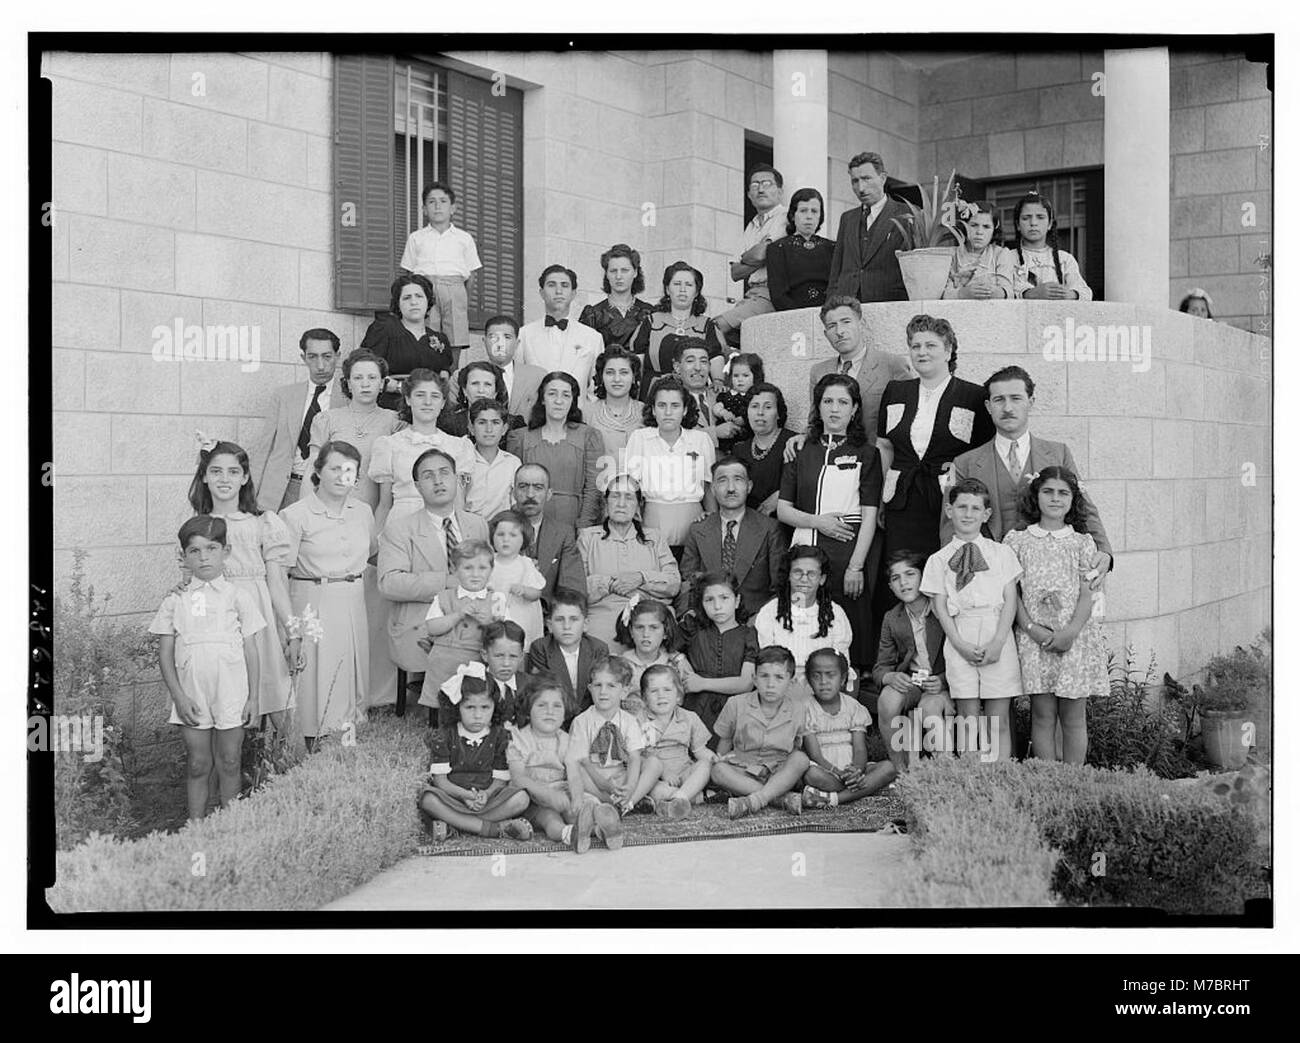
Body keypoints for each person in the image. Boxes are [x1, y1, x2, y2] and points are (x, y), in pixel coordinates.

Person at [948, 365, 1112, 580]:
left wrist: (1104, 550)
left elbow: (1083, 506)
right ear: (988, 406)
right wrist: (957, 573)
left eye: (1016, 398)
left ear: (1031, 402)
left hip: (1050, 570)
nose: (1007, 408)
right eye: (999, 400)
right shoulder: (966, 463)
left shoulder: (1058, 453)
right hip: (988, 573)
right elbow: (950, 522)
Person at [150, 515, 264, 821]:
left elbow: (252, 650)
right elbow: (165, 653)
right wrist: (179, 697)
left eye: (211, 549)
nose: (204, 557)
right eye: (195, 551)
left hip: (231, 692)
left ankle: (230, 827)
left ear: (226, 551)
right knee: (199, 763)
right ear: (183, 557)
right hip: (193, 694)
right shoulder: (175, 601)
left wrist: (253, 698)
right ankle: (196, 828)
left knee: (229, 760)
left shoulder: (239, 597)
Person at [778, 373, 882, 675]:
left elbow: (870, 515)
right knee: (802, 617)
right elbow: (784, 510)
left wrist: (856, 566)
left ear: (854, 409)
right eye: (827, 401)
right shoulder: (799, 449)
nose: (834, 409)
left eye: (842, 402)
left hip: (848, 550)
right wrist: (817, 522)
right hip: (804, 548)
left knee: (848, 624)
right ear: (818, 406)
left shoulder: (867, 453)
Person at [1005, 468, 1109, 765]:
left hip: (1074, 639)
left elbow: (1088, 593)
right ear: (1036, 495)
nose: (1055, 498)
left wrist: (1071, 632)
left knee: (1073, 716)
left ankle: (1073, 778)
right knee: (1043, 714)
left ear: (1073, 499)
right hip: (1035, 639)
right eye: (1048, 491)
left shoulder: (1082, 542)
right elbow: (1011, 593)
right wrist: (1030, 627)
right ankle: (1049, 776)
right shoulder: (1017, 541)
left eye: (1063, 493)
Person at [187, 440, 293, 728]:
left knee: (276, 700)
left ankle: (295, 771)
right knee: (224, 703)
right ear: (204, 476)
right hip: (216, 621)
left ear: (245, 478)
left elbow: (276, 582)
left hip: (258, 618)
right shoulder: (198, 526)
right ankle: (237, 769)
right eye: (216, 471)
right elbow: (190, 585)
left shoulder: (263, 522)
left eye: (233, 472)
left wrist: (292, 631)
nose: (224, 479)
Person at [876, 314, 995, 564]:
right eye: (915, 346)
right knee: (902, 571)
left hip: (948, 503)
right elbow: (885, 446)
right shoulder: (896, 391)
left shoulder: (972, 396)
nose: (922, 352)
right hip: (901, 502)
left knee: (944, 570)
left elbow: (984, 454)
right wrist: (878, 500)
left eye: (931, 345)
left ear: (948, 350)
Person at [280, 441, 376, 749]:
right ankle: (307, 747)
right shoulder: (295, 515)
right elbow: (280, 573)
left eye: (349, 470)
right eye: (334, 468)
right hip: (312, 600)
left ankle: (345, 745)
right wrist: (290, 628)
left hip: (353, 600)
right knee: (314, 678)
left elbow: (372, 553)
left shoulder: (362, 512)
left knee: (350, 674)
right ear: (318, 471)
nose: (341, 476)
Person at [921, 479, 1024, 764]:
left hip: (996, 633)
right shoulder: (939, 560)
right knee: (968, 717)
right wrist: (959, 643)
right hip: (960, 634)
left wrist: (999, 641)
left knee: (997, 718)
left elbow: (1010, 599)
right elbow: (940, 605)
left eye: (975, 508)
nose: (968, 514)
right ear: (950, 510)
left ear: (986, 514)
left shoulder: (1001, 553)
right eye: (962, 507)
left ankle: (998, 775)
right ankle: (972, 779)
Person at [376, 447, 490, 691]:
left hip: (471, 622)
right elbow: (389, 583)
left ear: (457, 479)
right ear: (417, 486)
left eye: (444, 473)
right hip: (422, 622)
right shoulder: (399, 529)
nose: (438, 481)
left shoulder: (477, 525)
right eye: (428, 476)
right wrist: (446, 582)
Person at [416, 669, 532, 843]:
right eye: (469, 707)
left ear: (495, 706)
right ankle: (492, 828)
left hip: (488, 800)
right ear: (456, 707)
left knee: (522, 799)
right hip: (453, 798)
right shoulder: (445, 735)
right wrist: (464, 795)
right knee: (428, 799)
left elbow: (500, 779)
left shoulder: (500, 736)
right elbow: (440, 781)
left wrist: (485, 794)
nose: (478, 715)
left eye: (485, 707)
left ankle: (457, 825)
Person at [873, 549, 954, 774]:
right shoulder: (893, 617)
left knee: (929, 707)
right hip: (915, 683)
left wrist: (944, 680)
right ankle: (902, 773)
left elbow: (963, 657)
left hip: (945, 685)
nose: (903, 583)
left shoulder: (943, 609)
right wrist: (891, 676)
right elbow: (881, 666)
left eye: (910, 574)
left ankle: (948, 774)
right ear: (890, 586)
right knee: (887, 700)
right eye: (895, 578)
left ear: (924, 576)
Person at [676, 456, 784, 624]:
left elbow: (780, 586)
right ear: (712, 489)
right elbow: (688, 583)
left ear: (749, 486)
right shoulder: (698, 529)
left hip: (754, 622)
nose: (731, 488)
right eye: (722, 481)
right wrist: (689, 615)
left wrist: (762, 619)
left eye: (738, 479)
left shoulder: (770, 529)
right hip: (707, 622)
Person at [578, 473, 680, 646]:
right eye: (615, 496)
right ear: (606, 502)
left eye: (629, 498)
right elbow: (575, 587)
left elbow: (673, 584)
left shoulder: (654, 537)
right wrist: (608, 584)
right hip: (602, 616)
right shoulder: (588, 537)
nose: (621, 504)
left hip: (649, 617)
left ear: (638, 505)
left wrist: (641, 578)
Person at [711, 645, 811, 820]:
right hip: (744, 769)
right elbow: (725, 740)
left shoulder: (798, 709)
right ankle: (779, 799)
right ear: (754, 679)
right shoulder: (735, 704)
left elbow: (798, 744)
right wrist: (721, 759)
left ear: (791, 682)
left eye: (779, 677)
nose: (770, 684)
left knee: (801, 759)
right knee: (718, 770)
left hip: (779, 773)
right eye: (764, 676)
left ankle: (757, 799)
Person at [370, 370, 475, 533]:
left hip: (442, 525)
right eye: (420, 395)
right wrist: (375, 541)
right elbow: (384, 504)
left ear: (442, 403)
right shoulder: (389, 445)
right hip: (401, 525)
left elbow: (458, 502)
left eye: (435, 396)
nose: (427, 402)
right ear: (408, 399)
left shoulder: (458, 446)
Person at [624, 373, 716, 553]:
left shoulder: (701, 440)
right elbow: (630, 487)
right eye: (661, 405)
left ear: (685, 410)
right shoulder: (640, 438)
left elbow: (708, 487)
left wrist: (712, 521)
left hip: (694, 527)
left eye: (674, 406)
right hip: (653, 525)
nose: (667, 412)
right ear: (652, 409)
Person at [805, 296, 911, 450]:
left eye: (846, 322)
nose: (839, 331)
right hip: (831, 460)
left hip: (878, 461)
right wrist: (802, 437)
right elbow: (814, 421)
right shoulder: (818, 371)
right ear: (826, 333)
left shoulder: (893, 365)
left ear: (861, 324)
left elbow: (908, 420)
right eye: (832, 326)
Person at [304, 348, 403, 511]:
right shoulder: (326, 420)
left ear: (382, 384)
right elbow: (312, 470)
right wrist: (307, 513)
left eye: (372, 377)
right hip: (330, 511)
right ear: (349, 384)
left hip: (377, 513)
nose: (365, 384)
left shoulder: (396, 422)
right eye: (358, 378)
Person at [254, 328, 341, 511]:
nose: (320, 365)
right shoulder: (284, 396)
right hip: (283, 490)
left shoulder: (348, 399)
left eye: (327, 356)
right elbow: (264, 448)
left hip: (327, 489)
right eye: (312, 357)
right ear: (303, 358)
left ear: (337, 356)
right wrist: (251, 495)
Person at [506, 371, 605, 531]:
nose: (559, 401)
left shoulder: (589, 436)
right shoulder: (520, 438)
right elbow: (514, 488)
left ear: (573, 401)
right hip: (530, 524)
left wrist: (584, 527)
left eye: (566, 395)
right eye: (552, 394)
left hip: (574, 524)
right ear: (543, 399)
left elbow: (594, 488)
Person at [565, 655, 653, 832]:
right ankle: (607, 804)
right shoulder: (582, 721)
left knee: (653, 763)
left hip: (619, 778)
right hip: (593, 778)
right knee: (577, 770)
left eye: (611, 685)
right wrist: (605, 787)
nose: (603, 692)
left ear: (624, 691)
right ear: (590, 688)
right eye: (598, 685)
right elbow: (583, 762)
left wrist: (629, 785)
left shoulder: (629, 721)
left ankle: (628, 801)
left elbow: (634, 758)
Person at [753, 546, 854, 699]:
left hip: (822, 688)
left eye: (811, 574)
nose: (804, 579)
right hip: (780, 688)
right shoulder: (770, 611)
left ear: (822, 579)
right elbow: (767, 660)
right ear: (788, 575)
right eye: (798, 572)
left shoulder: (836, 613)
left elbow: (840, 662)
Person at [800, 647, 896, 807]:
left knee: (889, 767)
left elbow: (859, 749)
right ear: (809, 681)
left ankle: (834, 799)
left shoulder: (853, 707)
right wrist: (838, 773)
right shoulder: (805, 709)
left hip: (854, 770)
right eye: (817, 676)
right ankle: (868, 789)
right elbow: (814, 754)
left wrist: (856, 771)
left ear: (843, 678)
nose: (824, 682)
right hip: (826, 771)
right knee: (811, 775)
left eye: (831, 675)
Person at [398, 181, 482, 363]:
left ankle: (451, 378)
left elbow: (471, 275)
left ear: (453, 208)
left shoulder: (464, 238)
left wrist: (461, 299)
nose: (437, 206)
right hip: (425, 288)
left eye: (443, 201)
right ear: (424, 209)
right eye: (431, 202)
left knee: (455, 337)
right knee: (427, 334)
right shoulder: (416, 238)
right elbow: (408, 273)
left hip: (454, 288)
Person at [507, 680, 594, 851]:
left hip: (562, 793)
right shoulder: (520, 739)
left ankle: (600, 827)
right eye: (541, 705)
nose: (550, 712)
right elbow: (518, 778)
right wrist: (547, 794)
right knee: (549, 817)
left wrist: (576, 798)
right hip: (533, 798)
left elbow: (574, 775)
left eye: (557, 706)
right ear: (528, 710)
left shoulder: (566, 740)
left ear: (565, 713)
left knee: (581, 807)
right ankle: (567, 834)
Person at [674, 572, 759, 736]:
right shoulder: (693, 629)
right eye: (709, 600)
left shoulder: (748, 635)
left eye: (724, 598)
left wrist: (702, 683)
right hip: (695, 708)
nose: (717, 606)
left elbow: (746, 684)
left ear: (737, 601)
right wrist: (679, 657)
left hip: (735, 710)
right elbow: (666, 642)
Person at [714, 163, 786, 350]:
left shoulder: (785, 218)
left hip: (770, 294)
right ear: (748, 194)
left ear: (779, 191)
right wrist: (757, 254)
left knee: (715, 327)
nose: (760, 189)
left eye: (767, 183)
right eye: (755, 185)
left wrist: (753, 255)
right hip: (751, 295)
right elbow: (735, 273)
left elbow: (763, 253)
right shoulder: (751, 225)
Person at [420, 539, 497, 713]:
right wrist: (458, 615)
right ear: (455, 570)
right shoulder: (444, 597)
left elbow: (505, 634)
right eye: (467, 568)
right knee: (441, 693)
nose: (475, 574)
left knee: (473, 696)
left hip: (477, 658)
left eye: (482, 568)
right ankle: (437, 722)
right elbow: (432, 627)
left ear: (491, 570)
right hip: (445, 656)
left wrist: (490, 623)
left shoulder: (496, 599)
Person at [360, 274, 455, 411]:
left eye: (419, 296)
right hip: (392, 407)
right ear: (398, 304)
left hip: (430, 409)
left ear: (428, 301)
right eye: (407, 298)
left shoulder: (440, 339)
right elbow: (366, 367)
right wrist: (399, 388)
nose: (414, 302)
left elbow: (444, 373)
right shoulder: (384, 329)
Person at [826, 151, 910, 302]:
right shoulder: (847, 219)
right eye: (855, 181)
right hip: (847, 307)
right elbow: (836, 270)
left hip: (888, 304)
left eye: (866, 179)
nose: (861, 188)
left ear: (883, 178)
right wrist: (831, 304)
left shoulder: (907, 214)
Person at [633, 261, 722, 393]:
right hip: (653, 392)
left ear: (697, 292)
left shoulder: (707, 325)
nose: (682, 290)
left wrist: (718, 380)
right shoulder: (651, 321)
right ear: (668, 289)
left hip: (693, 393)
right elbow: (637, 359)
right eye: (677, 284)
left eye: (689, 285)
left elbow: (715, 357)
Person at [638, 664, 714, 817]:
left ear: (678, 695)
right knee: (655, 788)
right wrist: (664, 773)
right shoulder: (639, 720)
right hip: (657, 777)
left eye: (667, 690)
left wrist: (715, 759)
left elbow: (699, 751)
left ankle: (680, 797)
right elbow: (637, 757)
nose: (661, 696)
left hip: (685, 773)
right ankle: (690, 796)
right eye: (654, 691)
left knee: (704, 766)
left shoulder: (689, 717)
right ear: (644, 698)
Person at [526, 588, 609, 726]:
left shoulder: (598, 649)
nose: (566, 626)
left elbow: (600, 690)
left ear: (585, 624)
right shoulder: (540, 648)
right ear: (550, 625)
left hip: (591, 721)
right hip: (555, 721)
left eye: (574, 619)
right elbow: (541, 691)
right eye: (559, 620)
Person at [517, 264, 604, 398]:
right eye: (551, 285)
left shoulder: (593, 338)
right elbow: (519, 385)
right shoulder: (524, 335)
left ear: (573, 293)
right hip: (535, 416)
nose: (558, 291)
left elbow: (595, 390)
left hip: (578, 416)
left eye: (564, 285)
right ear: (541, 292)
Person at [510, 463, 586, 608]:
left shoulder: (563, 534)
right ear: (513, 492)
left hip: (547, 620)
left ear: (549, 494)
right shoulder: (496, 529)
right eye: (523, 486)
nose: (530, 494)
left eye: (538, 487)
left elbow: (572, 588)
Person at [1010, 191, 1093, 300]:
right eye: (1026, 218)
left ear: (1049, 224)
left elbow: (1085, 292)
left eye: (1040, 217)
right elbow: (1004, 291)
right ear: (1018, 225)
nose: (1033, 223)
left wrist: (1070, 294)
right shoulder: (1007, 257)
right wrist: (1030, 293)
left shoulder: (1065, 259)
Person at [766, 186, 834, 311]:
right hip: (792, 315)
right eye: (803, 211)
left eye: (814, 211)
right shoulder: (777, 248)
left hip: (829, 314)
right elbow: (778, 295)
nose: (809, 216)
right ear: (792, 215)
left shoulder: (833, 248)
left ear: (820, 216)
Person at [732, 383, 795, 519]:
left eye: (768, 407)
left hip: (788, 525)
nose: (760, 412)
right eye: (754, 406)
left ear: (778, 413)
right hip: (752, 527)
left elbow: (807, 483)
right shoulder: (739, 450)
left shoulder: (793, 442)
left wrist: (781, 496)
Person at [579, 243, 656, 350]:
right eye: (613, 271)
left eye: (624, 270)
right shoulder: (593, 315)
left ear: (635, 273)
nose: (618, 276)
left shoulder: (649, 312)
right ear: (606, 274)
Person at [487, 509, 547, 647]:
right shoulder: (488, 563)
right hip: (495, 618)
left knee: (520, 648)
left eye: (513, 535)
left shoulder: (526, 564)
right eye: (500, 534)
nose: (505, 539)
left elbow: (537, 593)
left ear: (523, 539)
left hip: (521, 617)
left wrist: (524, 590)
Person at [941, 200, 1013, 300]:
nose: (979, 232)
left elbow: (1009, 292)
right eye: (974, 225)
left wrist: (993, 292)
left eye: (986, 227)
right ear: (964, 226)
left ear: (994, 230)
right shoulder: (951, 256)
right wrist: (962, 294)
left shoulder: (1001, 254)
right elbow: (943, 294)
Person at [464, 399, 522, 521]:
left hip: (500, 530)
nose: (489, 429)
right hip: (468, 529)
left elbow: (516, 504)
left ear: (504, 429)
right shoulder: (462, 460)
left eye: (495, 423)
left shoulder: (512, 463)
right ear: (471, 428)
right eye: (482, 422)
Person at [585, 346, 645, 463]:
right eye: (610, 372)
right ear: (601, 377)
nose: (617, 379)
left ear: (634, 377)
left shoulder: (646, 412)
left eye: (624, 373)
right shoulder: (587, 414)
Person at [436, 361, 525, 438]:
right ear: (464, 390)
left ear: (496, 392)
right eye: (475, 383)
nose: (481, 390)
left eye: (487, 384)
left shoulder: (514, 424)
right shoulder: (447, 423)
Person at [613, 597, 679, 698]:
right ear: (631, 631)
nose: (646, 634)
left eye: (653, 627)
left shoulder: (676, 664)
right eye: (639, 627)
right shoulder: (618, 664)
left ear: (665, 632)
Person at [483, 314, 546, 419]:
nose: (500, 344)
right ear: (484, 342)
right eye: (493, 337)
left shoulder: (539, 377)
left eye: (507, 337)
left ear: (517, 343)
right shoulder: (463, 375)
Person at [712, 353, 760, 453]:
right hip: (724, 437)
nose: (740, 379)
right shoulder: (727, 395)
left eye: (745, 375)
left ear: (755, 377)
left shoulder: (755, 397)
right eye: (736, 375)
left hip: (745, 438)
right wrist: (723, 412)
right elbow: (716, 407)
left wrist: (745, 419)